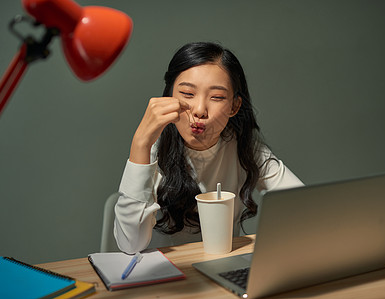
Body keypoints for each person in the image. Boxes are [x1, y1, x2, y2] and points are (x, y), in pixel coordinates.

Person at [114, 42, 303, 254]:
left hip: (223, 270)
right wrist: (140, 142)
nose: (200, 110)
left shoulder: (244, 147)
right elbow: (130, 244)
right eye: (187, 93)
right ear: (169, 97)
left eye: (217, 97)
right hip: (164, 276)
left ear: (234, 106)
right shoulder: (153, 151)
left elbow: (304, 206)